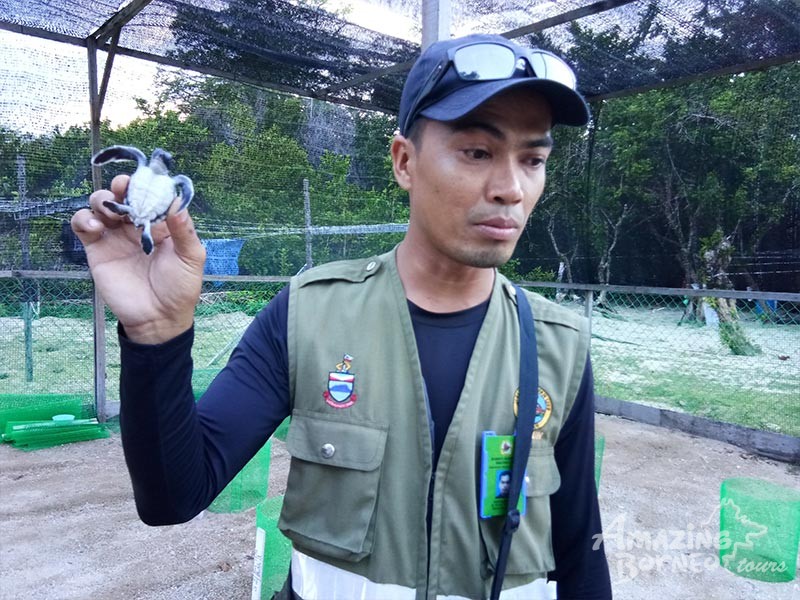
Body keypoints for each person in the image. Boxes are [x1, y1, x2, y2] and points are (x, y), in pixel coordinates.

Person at [72, 33, 611, 600]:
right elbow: (172, 496)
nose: (510, 189)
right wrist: (155, 335)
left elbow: (579, 550)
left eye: (533, 159)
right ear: (404, 161)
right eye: (477, 152)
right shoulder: (309, 313)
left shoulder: (559, 345)